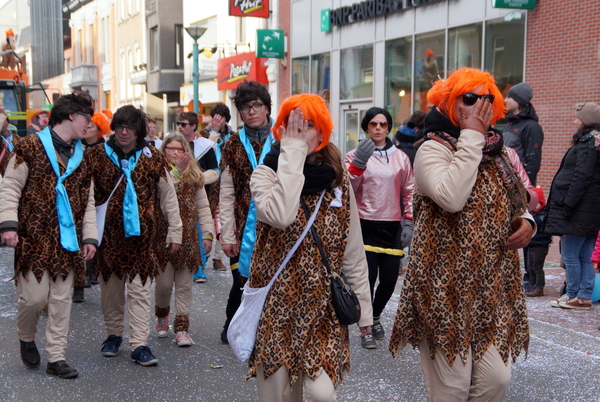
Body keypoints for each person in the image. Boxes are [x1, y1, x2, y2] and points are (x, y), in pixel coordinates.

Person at [389, 68, 534, 401]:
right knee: (451, 390)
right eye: (469, 99)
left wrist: (527, 223)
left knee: (495, 380)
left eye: (487, 99)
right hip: (443, 289)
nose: (479, 107)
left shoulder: (502, 153)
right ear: (449, 103)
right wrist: (471, 136)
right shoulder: (432, 149)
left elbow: (518, 202)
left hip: (492, 289)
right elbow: (451, 198)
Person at [247, 93, 372, 401]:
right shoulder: (266, 173)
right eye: (293, 124)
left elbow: (352, 248)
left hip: (323, 307)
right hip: (276, 307)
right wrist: (291, 153)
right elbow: (280, 215)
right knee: (278, 396)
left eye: (309, 124)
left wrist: (365, 310)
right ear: (281, 129)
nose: (301, 131)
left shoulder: (337, 182)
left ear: (322, 132)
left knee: (321, 394)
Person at [0, 92, 98, 379]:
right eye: (86, 118)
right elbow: (9, 188)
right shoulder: (29, 147)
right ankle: (26, 336)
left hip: (68, 243)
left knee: (61, 300)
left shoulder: (84, 155)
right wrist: (8, 224)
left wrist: (90, 237)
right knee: (32, 299)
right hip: (34, 238)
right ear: (70, 115)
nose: (89, 125)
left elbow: (88, 201)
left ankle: (56, 357)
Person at [85, 105, 182, 366]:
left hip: (143, 240)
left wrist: (175, 230)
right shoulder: (96, 156)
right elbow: (87, 198)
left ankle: (139, 343)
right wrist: (88, 235)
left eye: (129, 127)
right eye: (119, 127)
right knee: (111, 292)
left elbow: (169, 197)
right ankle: (114, 335)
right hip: (109, 240)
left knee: (140, 291)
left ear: (139, 130)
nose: (124, 132)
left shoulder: (152, 157)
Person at [344, 107, 414, 350]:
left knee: (389, 280)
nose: (378, 128)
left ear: (388, 127)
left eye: (383, 124)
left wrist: (409, 222)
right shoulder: (353, 155)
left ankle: (375, 316)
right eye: (373, 124)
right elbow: (346, 190)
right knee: (367, 279)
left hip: (392, 225)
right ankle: (365, 328)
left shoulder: (401, 158)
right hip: (364, 224)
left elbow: (409, 191)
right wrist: (359, 163)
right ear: (366, 127)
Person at [217, 80, 274, 344]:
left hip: (277, 226)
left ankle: (265, 328)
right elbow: (226, 195)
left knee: (272, 283)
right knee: (241, 282)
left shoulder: (283, 140)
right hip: (242, 230)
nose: (251, 111)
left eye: (256, 105)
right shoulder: (232, 145)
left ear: (266, 107)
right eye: (245, 107)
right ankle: (232, 323)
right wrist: (227, 234)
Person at [154, 133, 214, 346]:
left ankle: (182, 328)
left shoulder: (194, 176)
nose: (176, 153)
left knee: (185, 286)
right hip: (164, 239)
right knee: (163, 285)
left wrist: (207, 233)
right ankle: (162, 314)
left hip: (188, 239)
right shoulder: (158, 173)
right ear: (164, 150)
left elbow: (203, 207)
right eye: (172, 149)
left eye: (181, 149)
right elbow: (162, 195)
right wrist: (176, 171)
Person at [545, 102, 600, 311]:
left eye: (578, 116)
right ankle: (583, 295)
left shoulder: (588, 143)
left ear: (586, 119)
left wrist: (568, 204)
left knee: (570, 255)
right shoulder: (592, 142)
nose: (574, 120)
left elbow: (582, 177)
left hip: (579, 209)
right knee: (584, 255)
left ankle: (575, 294)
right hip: (588, 208)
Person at [72, 112, 111, 303]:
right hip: (79, 200)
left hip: (99, 201)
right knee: (79, 240)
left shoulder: (104, 150)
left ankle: (91, 272)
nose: (87, 128)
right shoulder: (75, 146)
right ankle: (79, 283)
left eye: (92, 126)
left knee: (94, 237)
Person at [177, 111, 219, 283]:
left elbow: (215, 172)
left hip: (200, 195)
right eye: (178, 124)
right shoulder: (173, 144)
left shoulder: (206, 146)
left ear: (193, 126)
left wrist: (199, 179)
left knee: (200, 231)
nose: (180, 127)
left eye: (184, 124)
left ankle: (199, 269)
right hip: (177, 195)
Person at [200, 102, 234, 272]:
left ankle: (218, 258)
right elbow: (204, 153)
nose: (218, 121)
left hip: (227, 182)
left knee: (224, 219)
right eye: (215, 118)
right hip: (209, 183)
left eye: (221, 119)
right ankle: (203, 255)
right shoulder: (203, 135)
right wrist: (213, 132)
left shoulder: (233, 136)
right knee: (206, 218)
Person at [503, 82, 544, 186]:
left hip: (519, 187)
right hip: (505, 183)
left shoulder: (532, 127)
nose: (505, 100)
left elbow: (533, 163)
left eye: (509, 97)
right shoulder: (510, 123)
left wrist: (525, 189)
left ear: (518, 100)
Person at [0, 106, 19, 176]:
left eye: (4, 120)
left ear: (7, 122)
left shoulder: (17, 138)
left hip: (15, 173)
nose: (2, 123)